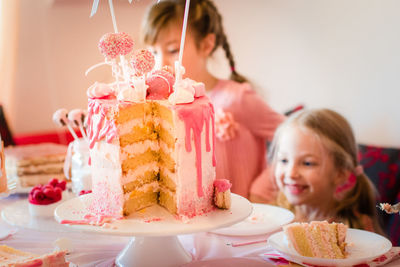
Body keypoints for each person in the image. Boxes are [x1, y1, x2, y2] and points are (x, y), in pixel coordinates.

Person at [141, 0, 284, 198]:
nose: (160, 63)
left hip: (239, 223)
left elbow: (292, 138)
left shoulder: (237, 98)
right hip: (190, 224)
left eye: (173, 50)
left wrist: (261, 188)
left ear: (207, 44)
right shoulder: (165, 105)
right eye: (154, 51)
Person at [268, 108, 384, 233]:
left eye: (307, 163)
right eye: (284, 160)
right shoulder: (272, 218)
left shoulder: (358, 229)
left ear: (340, 173)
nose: (291, 173)